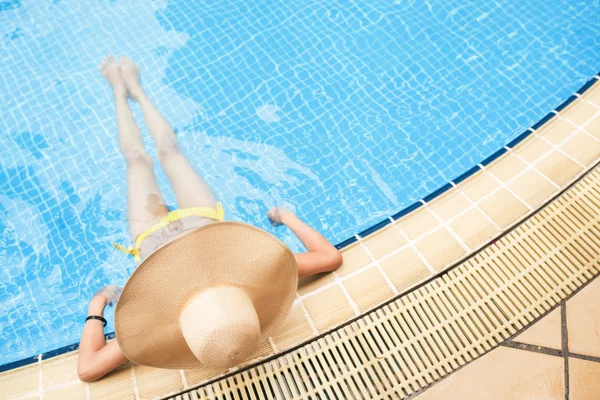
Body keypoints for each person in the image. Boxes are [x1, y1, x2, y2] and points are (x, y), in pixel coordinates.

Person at [76, 56, 343, 383]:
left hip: (152, 238)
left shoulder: (159, 325)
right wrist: (286, 216)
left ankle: (119, 91)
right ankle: (138, 91)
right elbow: (330, 258)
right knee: (170, 151)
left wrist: (97, 305)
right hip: (201, 222)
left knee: (136, 160)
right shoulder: (256, 274)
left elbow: (88, 369)